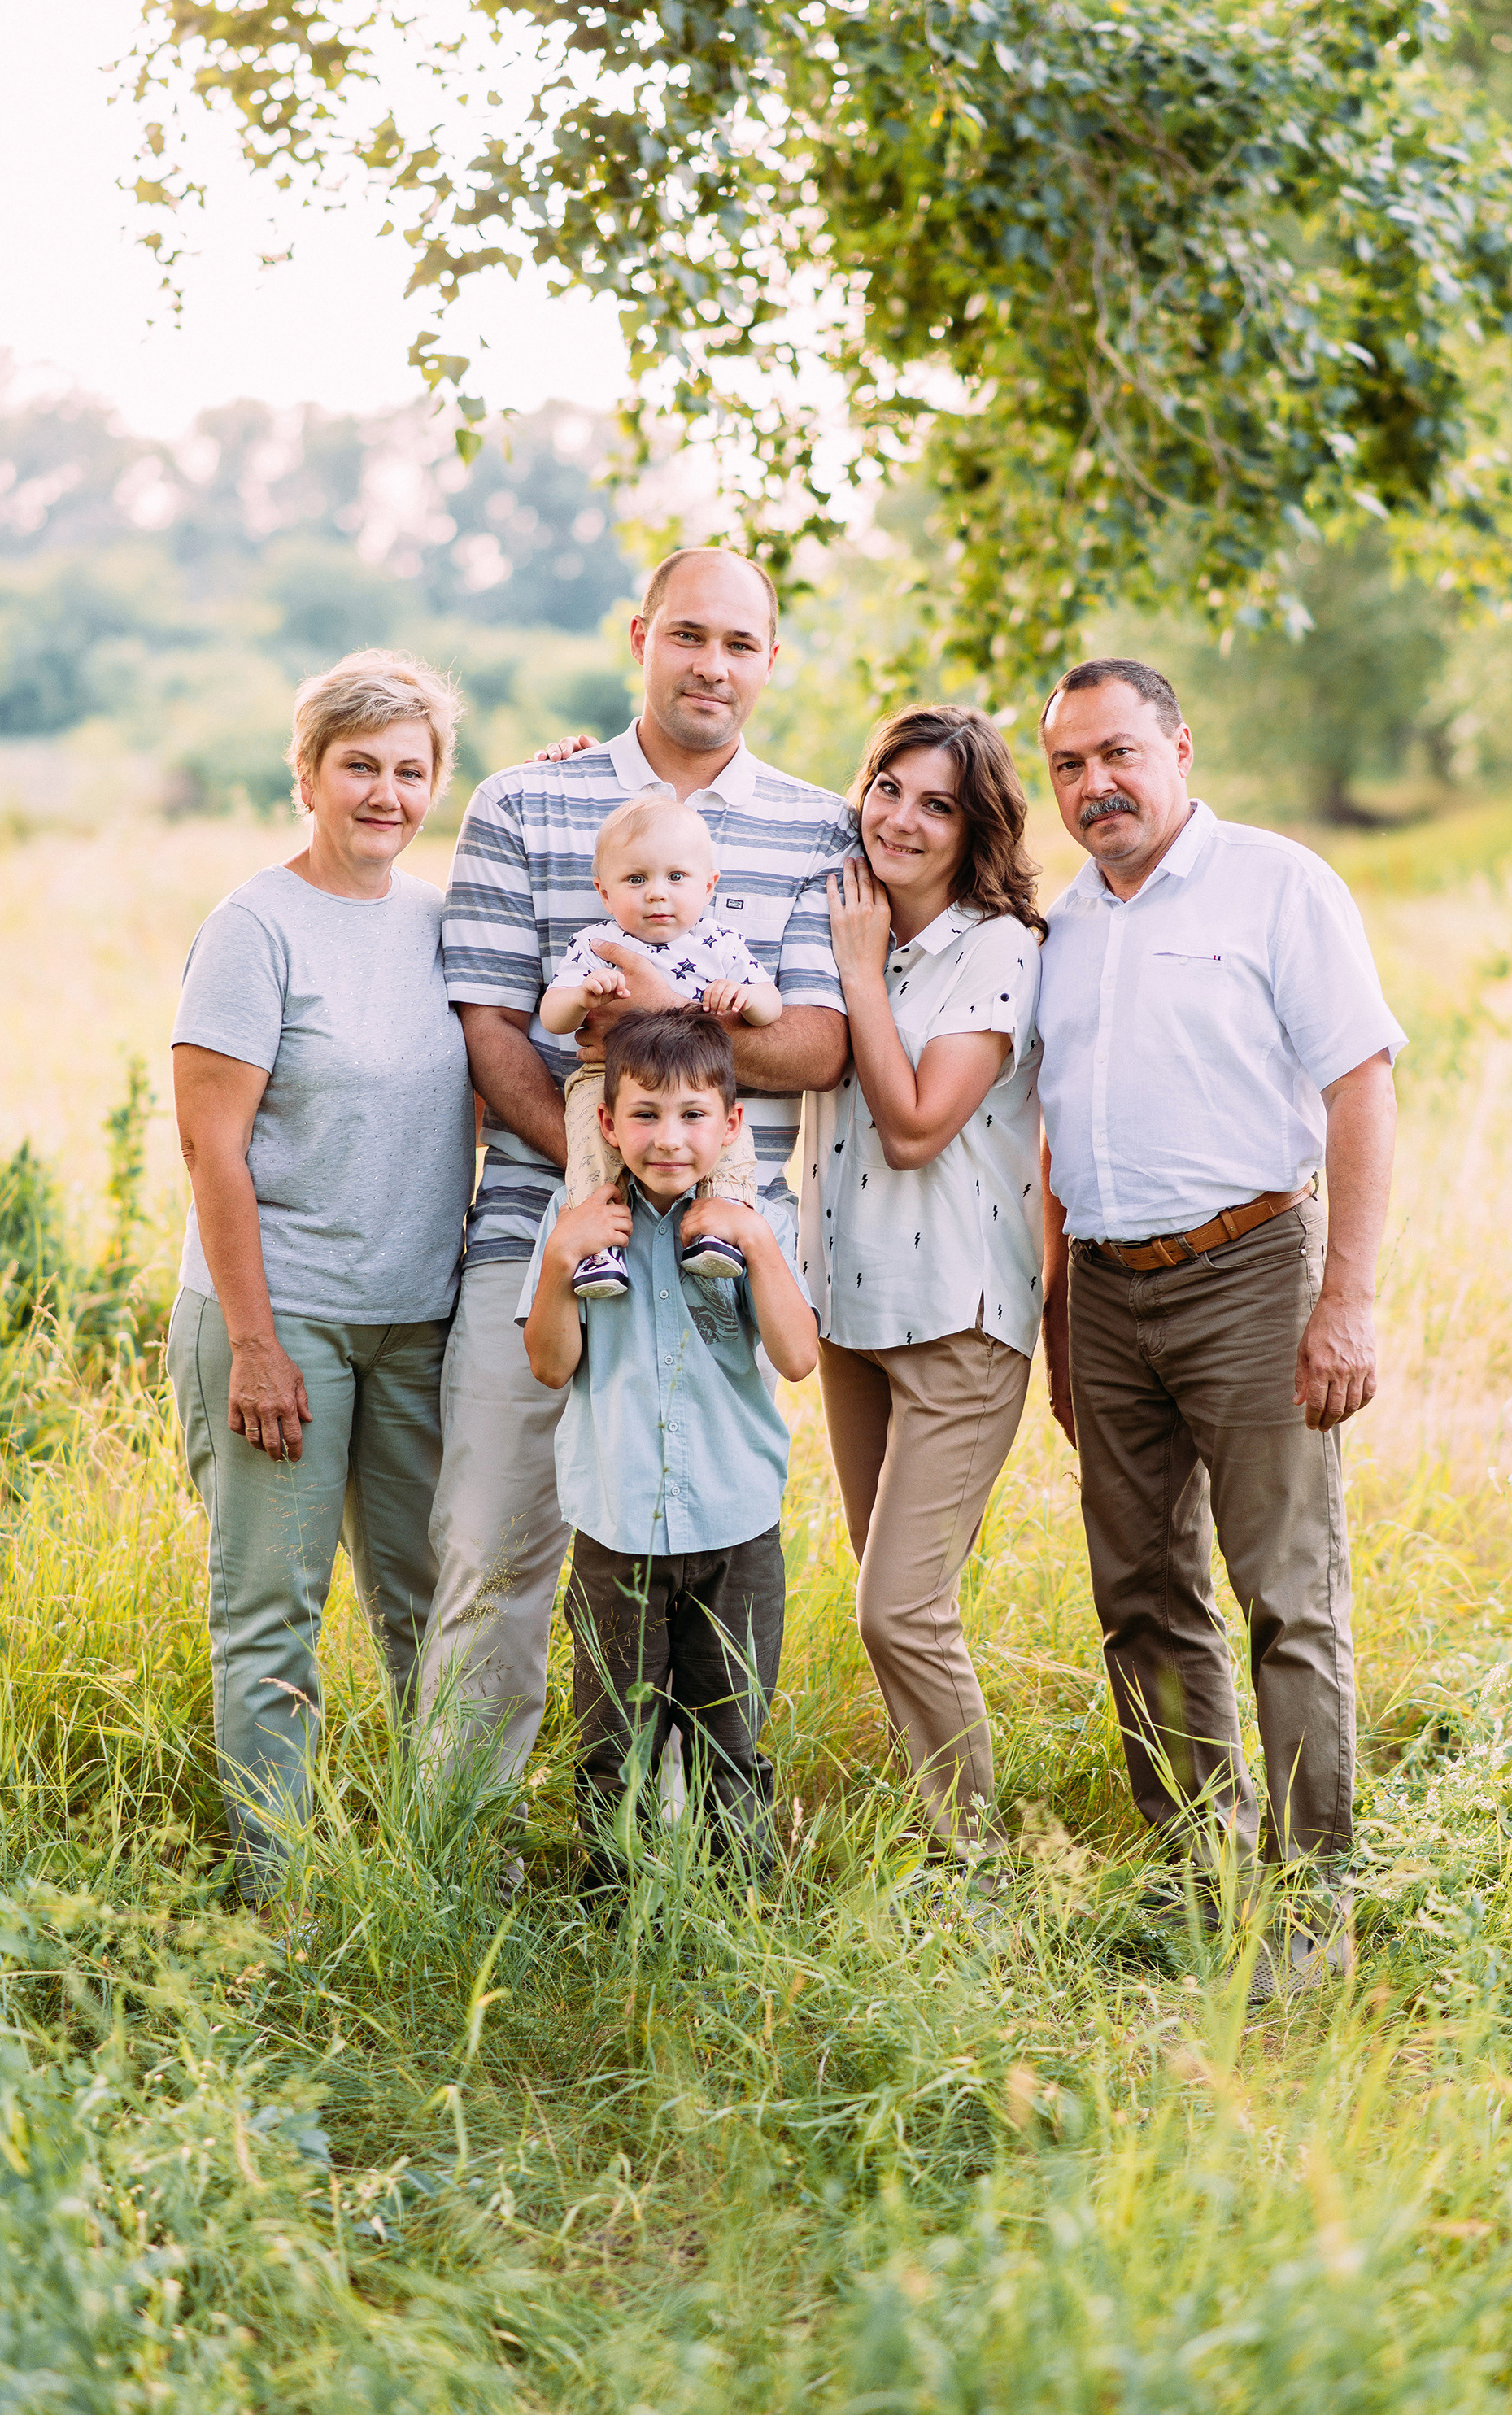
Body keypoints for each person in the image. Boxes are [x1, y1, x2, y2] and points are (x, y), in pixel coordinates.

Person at [417, 547, 856, 1874]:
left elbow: (826, 1042)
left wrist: (674, 1043)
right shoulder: (525, 803)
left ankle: (671, 1857)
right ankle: (462, 1845)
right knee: (497, 1553)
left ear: (771, 659)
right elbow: (491, 1023)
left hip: (725, 1262)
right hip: (544, 1240)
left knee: (695, 1564)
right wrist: (590, 1171)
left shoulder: (817, 824)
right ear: (640, 638)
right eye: (687, 636)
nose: (711, 664)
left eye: (740, 641)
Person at [1035, 657, 1405, 1993]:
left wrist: (1345, 1297)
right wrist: (1058, 1315)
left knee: (1287, 1598)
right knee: (1141, 1597)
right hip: (1104, 1286)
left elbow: (1362, 1087)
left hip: (1253, 1269)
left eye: (1119, 752)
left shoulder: (1278, 884)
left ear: (1181, 745)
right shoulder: (1060, 926)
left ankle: (1311, 1910)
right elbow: (1051, 1137)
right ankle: (1200, 1877)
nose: (1096, 784)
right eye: (1069, 764)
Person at [167, 650, 474, 1904]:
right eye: (360, 765)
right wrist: (254, 1341)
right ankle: (277, 1896)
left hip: (417, 1323)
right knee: (273, 1619)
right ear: (308, 773)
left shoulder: (442, 919)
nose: (386, 793)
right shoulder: (255, 926)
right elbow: (211, 1145)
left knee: (430, 1614)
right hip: (279, 1321)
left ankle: (443, 1870)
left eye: (412, 769)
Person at [798, 707, 1045, 1864]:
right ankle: (945, 1831)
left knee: (897, 1607)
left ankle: (976, 1869)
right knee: (900, 1602)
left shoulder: (996, 947)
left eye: (936, 803)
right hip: (851, 1311)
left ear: (974, 827)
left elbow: (909, 1129)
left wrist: (856, 973)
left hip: (958, 1318)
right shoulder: (840, 909)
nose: (901, 817)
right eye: (888, 787)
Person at [520, 1009, 819, 1885]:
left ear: (730, 1125)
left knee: (731, 1738)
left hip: (733, 1527)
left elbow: (798, 1358)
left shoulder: (753, 1222)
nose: (668, 1138)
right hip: (617, 1531)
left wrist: (756, 1242)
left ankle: (739, 1912)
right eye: (645, 1114)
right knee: (615, 1739)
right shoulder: (577, 1220)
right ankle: (612, 1908)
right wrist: (556, 1263)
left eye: (692, 1115)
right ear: (606, 1124)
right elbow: (548, 1366)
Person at [538, 795, 782, 1294]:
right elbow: (552, 1015)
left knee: (735, 1141)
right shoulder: (596, 944)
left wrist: (745, 997)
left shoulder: (719, 944)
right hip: (605, 1079)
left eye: (676, 878)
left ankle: (723, 1225)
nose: (657, 895)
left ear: (708, 885)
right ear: (604, 893)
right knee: (589, 1140)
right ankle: (597, 1248)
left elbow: (771, 1006)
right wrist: (582, 996)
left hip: (699, 1086)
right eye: (636, 880)